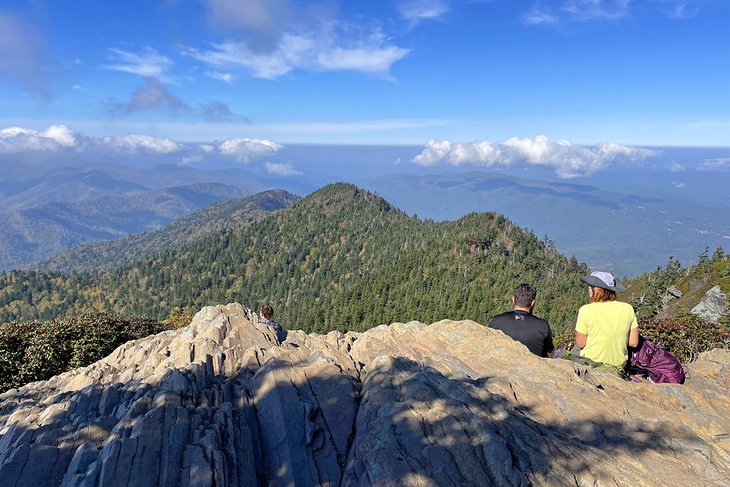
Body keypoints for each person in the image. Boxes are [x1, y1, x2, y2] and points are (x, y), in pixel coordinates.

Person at [574, 271, 639, 369]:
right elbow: (633, 342)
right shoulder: (628, 308)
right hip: (618, 366)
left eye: (589, 287)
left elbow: (581, 343)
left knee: (575, 348)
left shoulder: (586, 310)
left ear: (595, 289)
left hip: (592, 364)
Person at [489, 284, 554, 357]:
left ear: (513, 299)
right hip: (531, 367)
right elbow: (549, 353)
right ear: (533, 303)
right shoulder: (543, 325)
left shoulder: (497, 321)